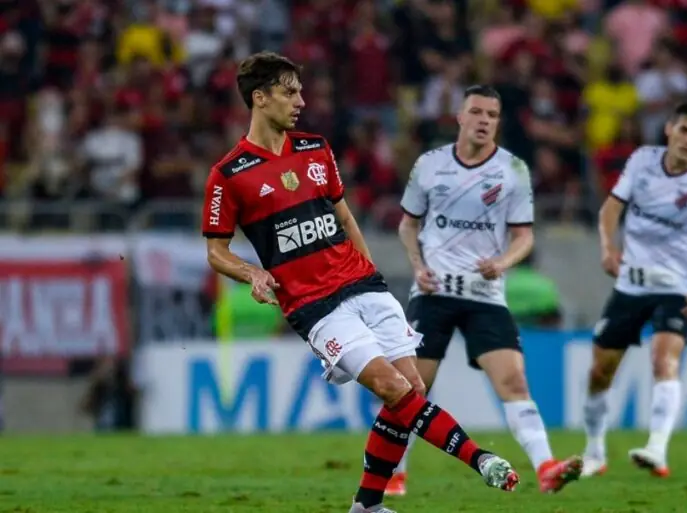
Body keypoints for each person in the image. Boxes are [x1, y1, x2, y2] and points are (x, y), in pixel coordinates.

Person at [200, 53, 519, 513]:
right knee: (394, 390)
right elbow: (216, 250)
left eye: (300, 91)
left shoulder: (315, 149)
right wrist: (253, 272)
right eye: (290, 91)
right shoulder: (229, 175)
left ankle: (366, 507)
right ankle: (480, 458)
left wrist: (371, 277)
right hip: (315, 306)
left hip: (363, 285)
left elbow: (344, 216)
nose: (301, 101)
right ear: (259, 97)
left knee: (412, 391)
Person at [390, 85, 582, 496]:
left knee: (513, 381)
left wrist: (504, 262)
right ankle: (395, 473)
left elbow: (524, 237)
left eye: (492, 115)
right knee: (409, 388)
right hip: (434, 292)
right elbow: (407, 224)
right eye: (476, 112)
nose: (483, 120)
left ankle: (546, 467)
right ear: (459, 117)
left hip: (484, 293)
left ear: (498, 122)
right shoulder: (430, 165)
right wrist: (417, 266)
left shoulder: (513, 170)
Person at [580, 101, 687, 478]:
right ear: (669, 129)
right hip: (631, 285)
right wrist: (607, 247)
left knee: (664, 360)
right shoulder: (641, 162)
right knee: (600, 371)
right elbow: (610, 209)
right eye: (684, 130)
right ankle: (594, 452)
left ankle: (657, 449)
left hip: (677, 288)